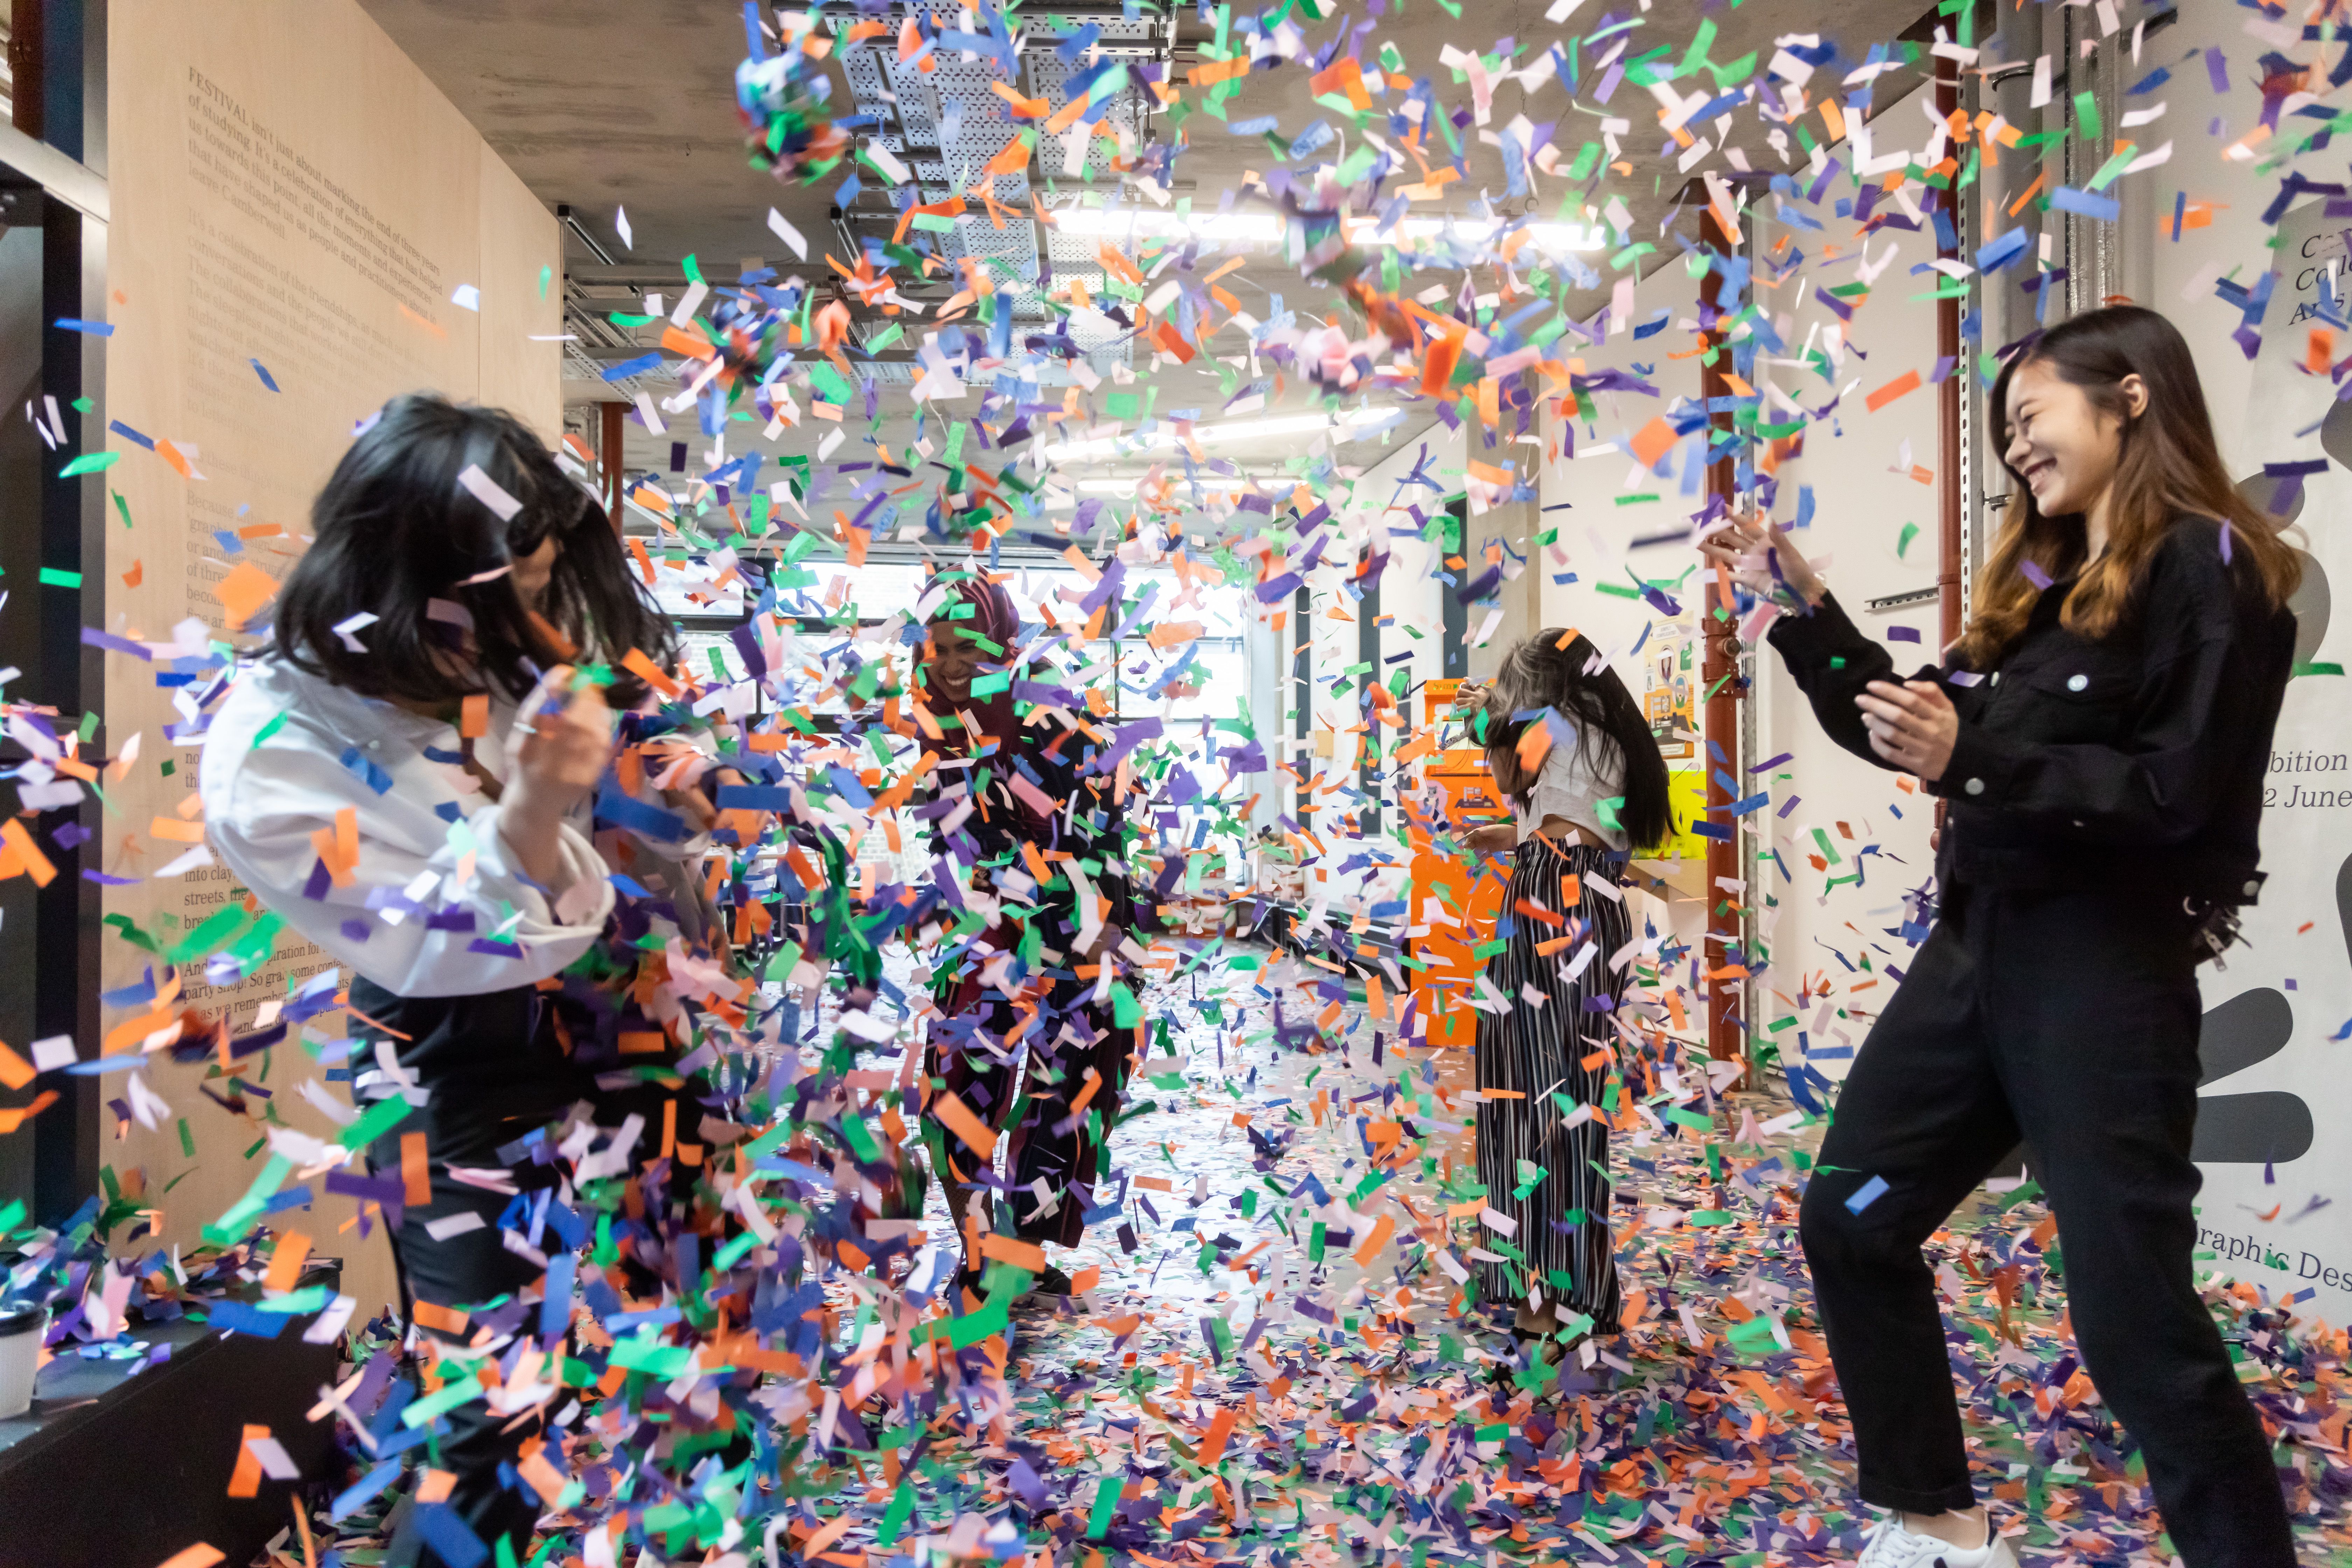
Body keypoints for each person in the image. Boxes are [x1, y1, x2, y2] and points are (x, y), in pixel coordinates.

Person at [1701, 304, 2301, 1568]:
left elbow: (2180, 792)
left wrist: (1981, 761)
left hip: (2100, 977)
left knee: (2135, 1323)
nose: (2016, 448)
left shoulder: (2210, 566)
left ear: (2131, 396)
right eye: (2005, 432)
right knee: (1853, 1218)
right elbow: (1917, 722)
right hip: (1976, 959)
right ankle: (1935, 1522)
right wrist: (1802, 606)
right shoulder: (2043, 578)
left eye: (2031, 419)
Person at [201, 394, 707, 1567]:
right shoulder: (270, 754)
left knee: (680, 1344)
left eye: (540, 583)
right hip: (452, 1059)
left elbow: (617, 826)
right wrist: (532, 804)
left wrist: (664, 798)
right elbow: (444, 940)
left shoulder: (501, 648)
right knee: (489, 1406)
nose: (531, 620)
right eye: (507, 595)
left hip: (621, 1019)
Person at [913, 571, 1135, 1298]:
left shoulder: (1045, 704)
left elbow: (1101, 811)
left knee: (1062, 1100)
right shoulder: (936, 716)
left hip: (1070, 933)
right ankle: (982, 1257)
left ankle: (1024, 1252)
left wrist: (1102, 929)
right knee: (957, 1096)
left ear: (1001, 639)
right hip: (983, 936)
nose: (950, 662)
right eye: (939, 646)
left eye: (966, 645)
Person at [1450, 631, 1671, 1354]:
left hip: (1553, 897)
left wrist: (1483, 711)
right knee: (1566, 1102)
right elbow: (1548, 815)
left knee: (1524, 1099)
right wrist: (1500, 835)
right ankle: (1564, 1298)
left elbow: (1508, 759)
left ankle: (1541, 1300)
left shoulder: (1554, 726)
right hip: (1585, 895)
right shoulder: (1607, 738)